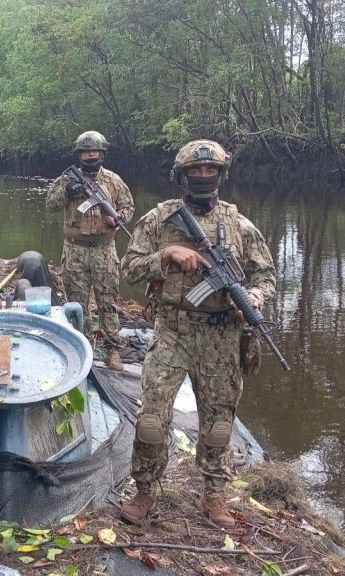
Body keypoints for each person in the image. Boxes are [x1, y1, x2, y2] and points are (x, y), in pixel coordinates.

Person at [119, 139, 277, 528]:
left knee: (219, 425)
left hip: (221, 336)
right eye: (196, 171)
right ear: (182, 175)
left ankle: (214, 495)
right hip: (173, 330)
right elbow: (128, 268)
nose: (204, 177)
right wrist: (167, 256)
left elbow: (266, 275)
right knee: (152, 420)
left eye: (211, 171)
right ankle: (144, 491)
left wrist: (253, 297)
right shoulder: (160, 219)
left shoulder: (240, 225)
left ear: (221, 175)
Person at [45, 130, 134, 371]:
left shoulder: (113, 181)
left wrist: (120, 218)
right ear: (79, 154)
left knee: (108, 301)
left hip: (105, 249)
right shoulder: (67, 179)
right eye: (85, 152)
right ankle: (80, 346)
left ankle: (112, 349)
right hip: (75, 250)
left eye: (94, 151)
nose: (90, 156)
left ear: (102, 153)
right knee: (77, 301)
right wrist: (68, 191)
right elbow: (50, 204)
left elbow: (128, 205)